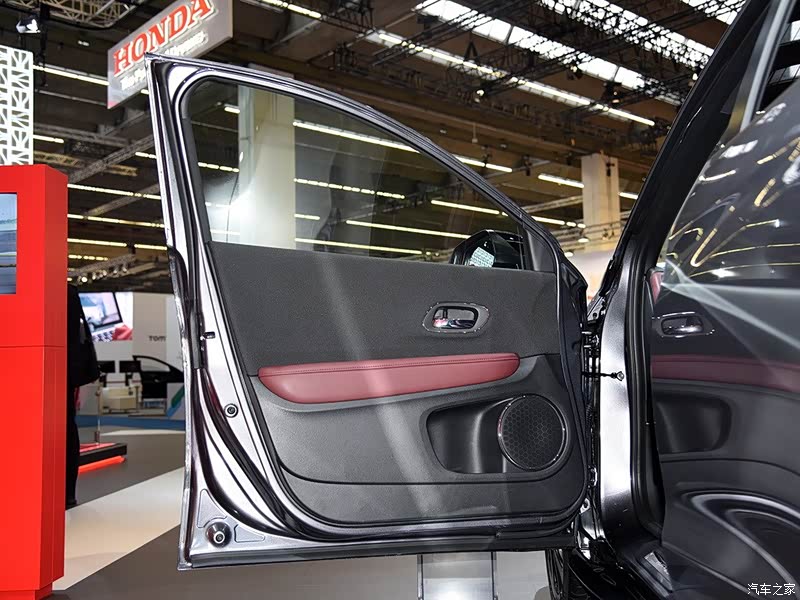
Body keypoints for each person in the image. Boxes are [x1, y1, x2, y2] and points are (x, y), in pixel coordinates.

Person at [66, 285, 100, 508]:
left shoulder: (66, 292)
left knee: (65, 430)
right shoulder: (69, 292)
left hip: (59, 371)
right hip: (65, 372)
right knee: (66, 429)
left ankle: (66, 492)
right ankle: (67, 493)